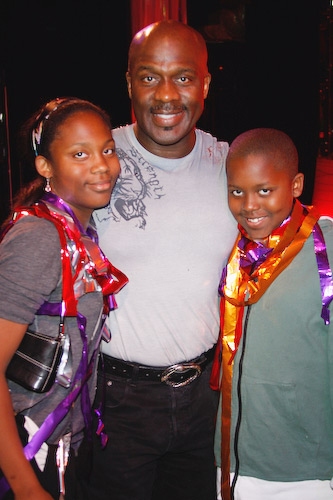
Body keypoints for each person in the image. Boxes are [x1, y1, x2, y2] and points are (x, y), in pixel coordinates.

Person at [88, 19, 238, 500]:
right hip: (117, 401)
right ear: (129, 82)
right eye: (150, 76)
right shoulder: (94, 163)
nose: (167, 94)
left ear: (206, 83)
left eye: (184, 77)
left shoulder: (231, 165)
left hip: (205, 398)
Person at [0, 96, 128, 500]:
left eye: (107, 149)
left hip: (66, 447)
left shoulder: (78, 232)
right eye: (79, 154)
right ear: (45, 166)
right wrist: (24, 486)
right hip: (27, 451)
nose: (101, 165)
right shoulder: (40, 237)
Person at [211, 128, 333, 500]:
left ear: (295, 185)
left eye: (265, 190)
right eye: (237, 191)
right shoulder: (234, 250)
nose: (250, 205)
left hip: (305, 470)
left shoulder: (326, 248)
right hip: (231, 461)